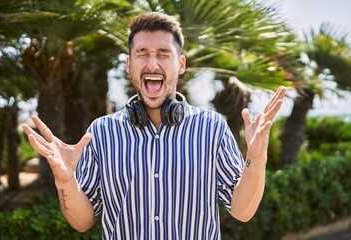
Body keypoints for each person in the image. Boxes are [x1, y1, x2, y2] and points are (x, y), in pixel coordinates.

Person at [22, 12, 286, 239]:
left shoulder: (212, 128)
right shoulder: (101, 133)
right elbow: (82, 222)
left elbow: (243, 211)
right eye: (142, 53)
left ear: (180, 65)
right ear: (129, 64)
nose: (152, 63)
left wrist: (256, 156)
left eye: (163, 53)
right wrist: (66, 181)